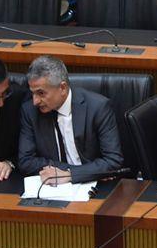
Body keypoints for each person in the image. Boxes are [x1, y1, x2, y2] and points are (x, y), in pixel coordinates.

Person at [17, 56, 123, 184]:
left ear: (62, 88)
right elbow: (26, 161)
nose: (35, 101)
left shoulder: (98, 107)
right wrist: (85, 172)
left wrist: (70, 175)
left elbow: (113, 161)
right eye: (32, 93)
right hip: (52, 186)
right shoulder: (30, 111)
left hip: (94, 186)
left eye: (41, 93)